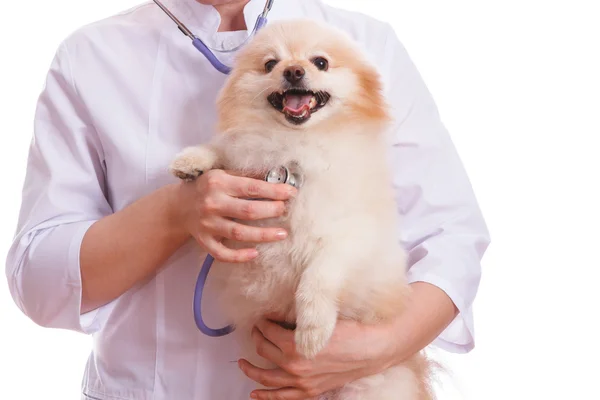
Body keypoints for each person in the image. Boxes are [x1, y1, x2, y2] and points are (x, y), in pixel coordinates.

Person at [4, 0, 490, 399]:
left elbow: (452, 238)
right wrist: (176, 213)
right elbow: (38, 276)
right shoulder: (91, 56)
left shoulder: (363, 42)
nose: (297, 71)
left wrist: (379, 349)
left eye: (315, 64)